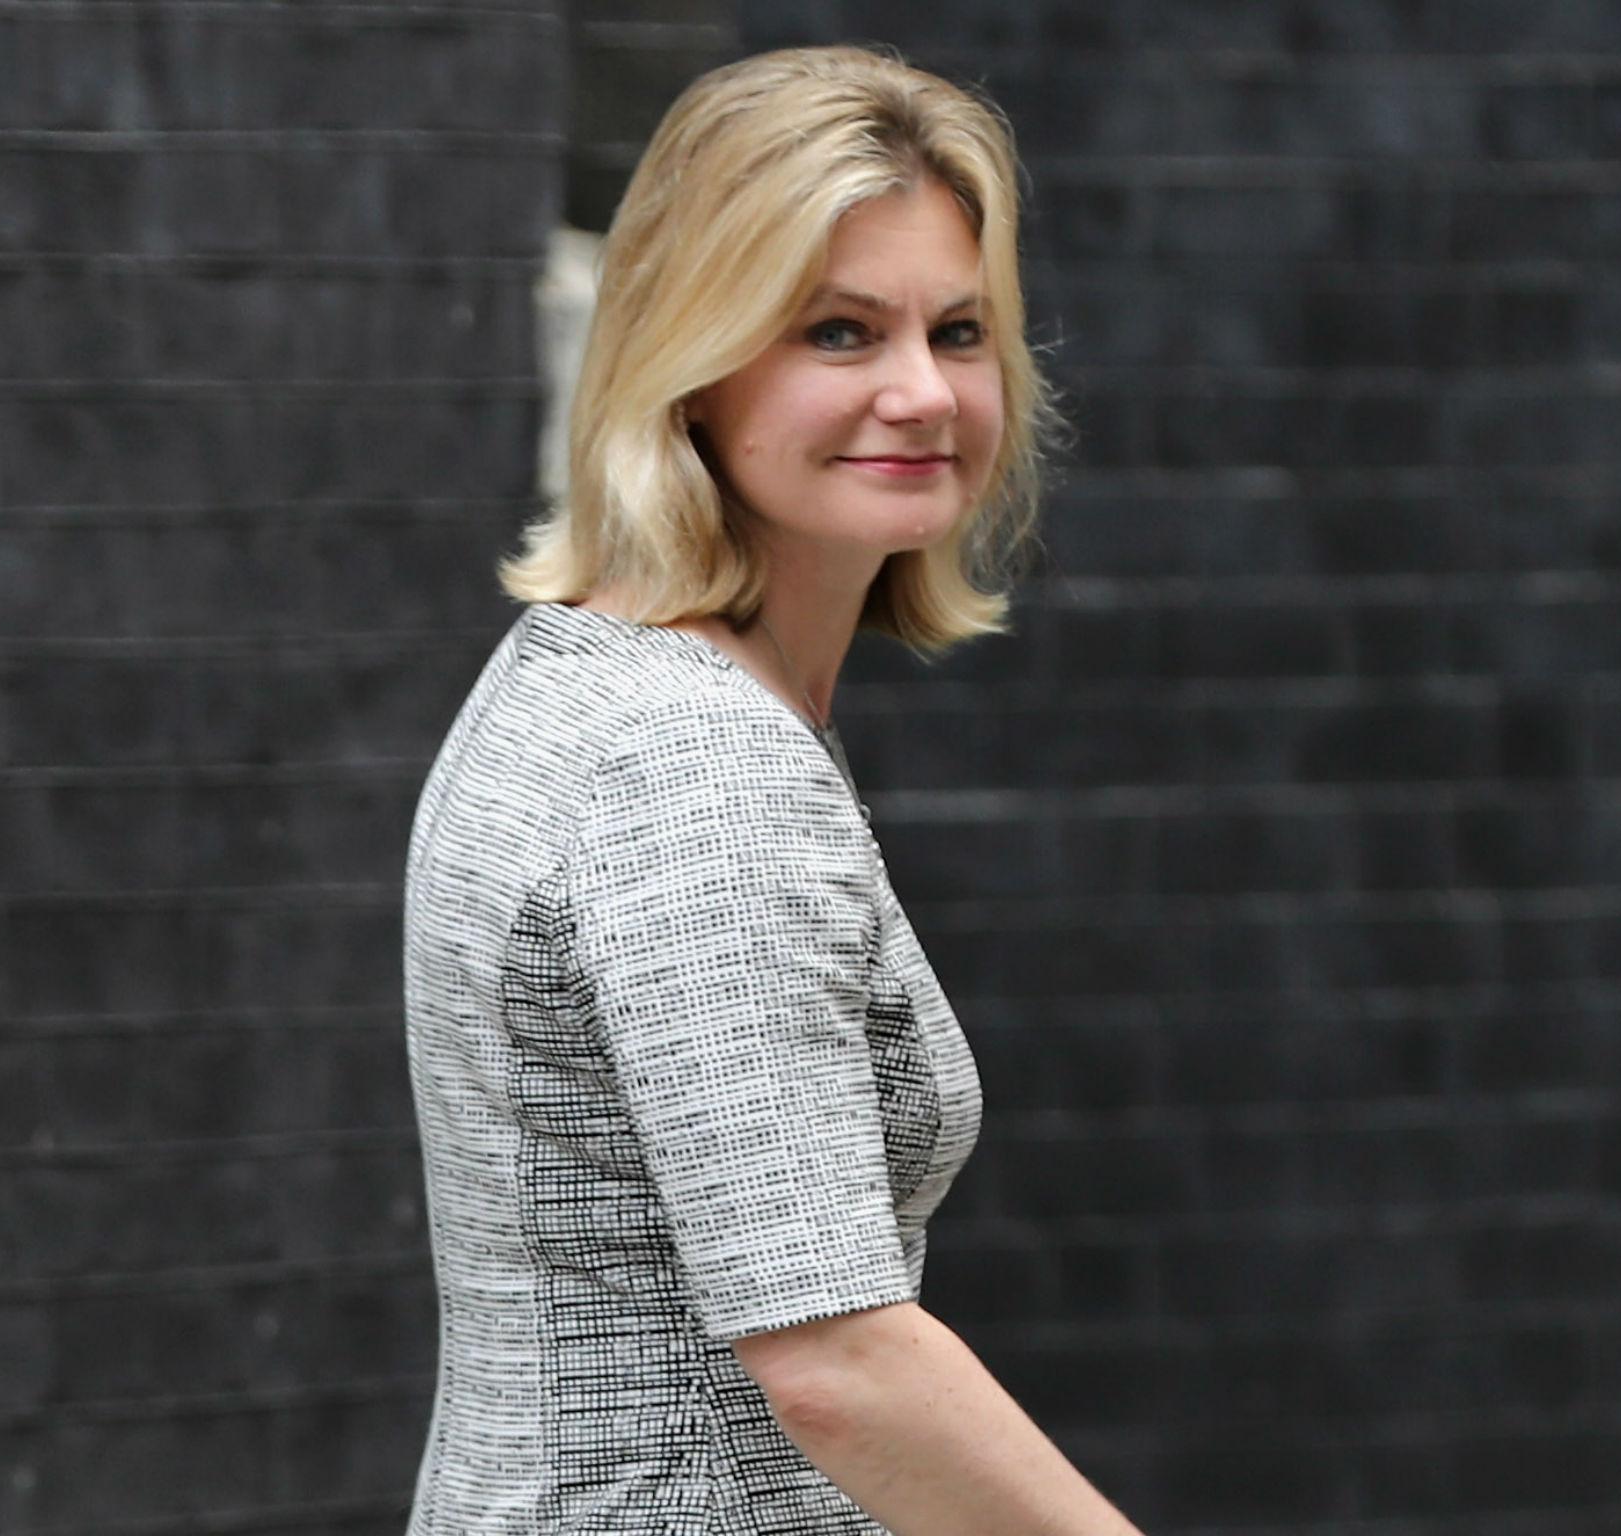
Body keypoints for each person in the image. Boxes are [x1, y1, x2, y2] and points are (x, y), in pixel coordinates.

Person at [400, 44, 1146, 1536]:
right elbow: (832, 1357)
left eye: (960, 329)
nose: (921, 391)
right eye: (837, 332)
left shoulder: (594, 675)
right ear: (692, 357)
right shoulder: (690, 764)